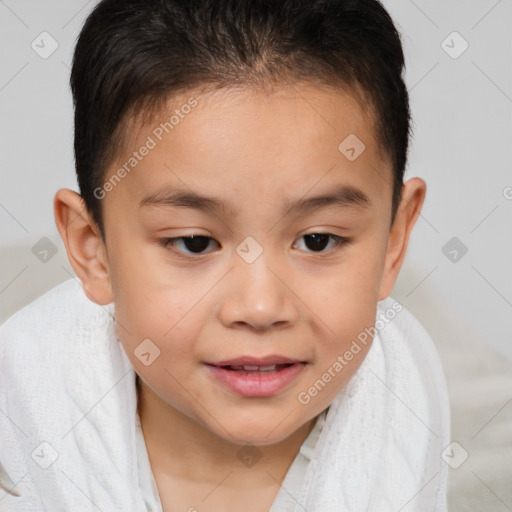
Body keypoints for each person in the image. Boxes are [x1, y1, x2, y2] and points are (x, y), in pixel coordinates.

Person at [0, 1, 451, 511]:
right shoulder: (21, 439)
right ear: (92, 250)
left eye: (318, 240)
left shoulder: (410, 416)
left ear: (394, 240)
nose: (259, 308)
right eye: (194, 243)